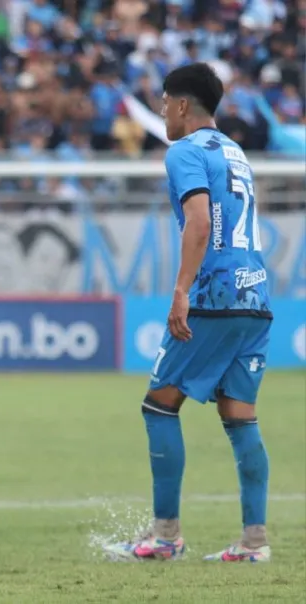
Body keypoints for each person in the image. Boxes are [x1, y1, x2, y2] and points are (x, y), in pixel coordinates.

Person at [105, 63, 273, 563]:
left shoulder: (184, 151)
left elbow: (198, 222)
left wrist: (181, 291)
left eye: (163, 102)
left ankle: (165, 536)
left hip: (213, 297)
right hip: (255, 296)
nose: (161, 111)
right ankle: (254, 542)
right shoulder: (235, 152)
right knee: (239, 416)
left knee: (159, 404)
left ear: (181, 106)